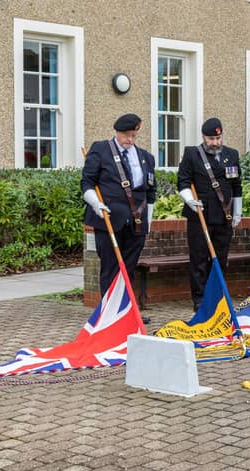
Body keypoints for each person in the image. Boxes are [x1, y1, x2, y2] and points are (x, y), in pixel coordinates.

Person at [81, 113, 156, 321]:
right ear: (117, 132)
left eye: (134, 136)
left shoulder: (146, 157)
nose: (130, 140)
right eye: (126, 135)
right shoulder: (101, 150)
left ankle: (128, 310)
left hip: (137, 223)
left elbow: (150, 192)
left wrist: (148, 219)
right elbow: (87, 183)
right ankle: (108, 313)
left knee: (129, 268)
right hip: (108, 220)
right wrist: (96, 204)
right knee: (111, 267)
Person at [177, 118, 242, 312]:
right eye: (211, 138)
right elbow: (183, 182)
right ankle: (199, 298)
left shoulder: (232, 154)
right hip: (200, 214)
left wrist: (238, 211)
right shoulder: (192, 154)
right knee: (199, 258)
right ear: (204, 137)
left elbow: (236, 186)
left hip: (224, 215)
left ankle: (216, 294)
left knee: (220, 257)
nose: (215, 142)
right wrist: (189, 199)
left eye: (218, 138)